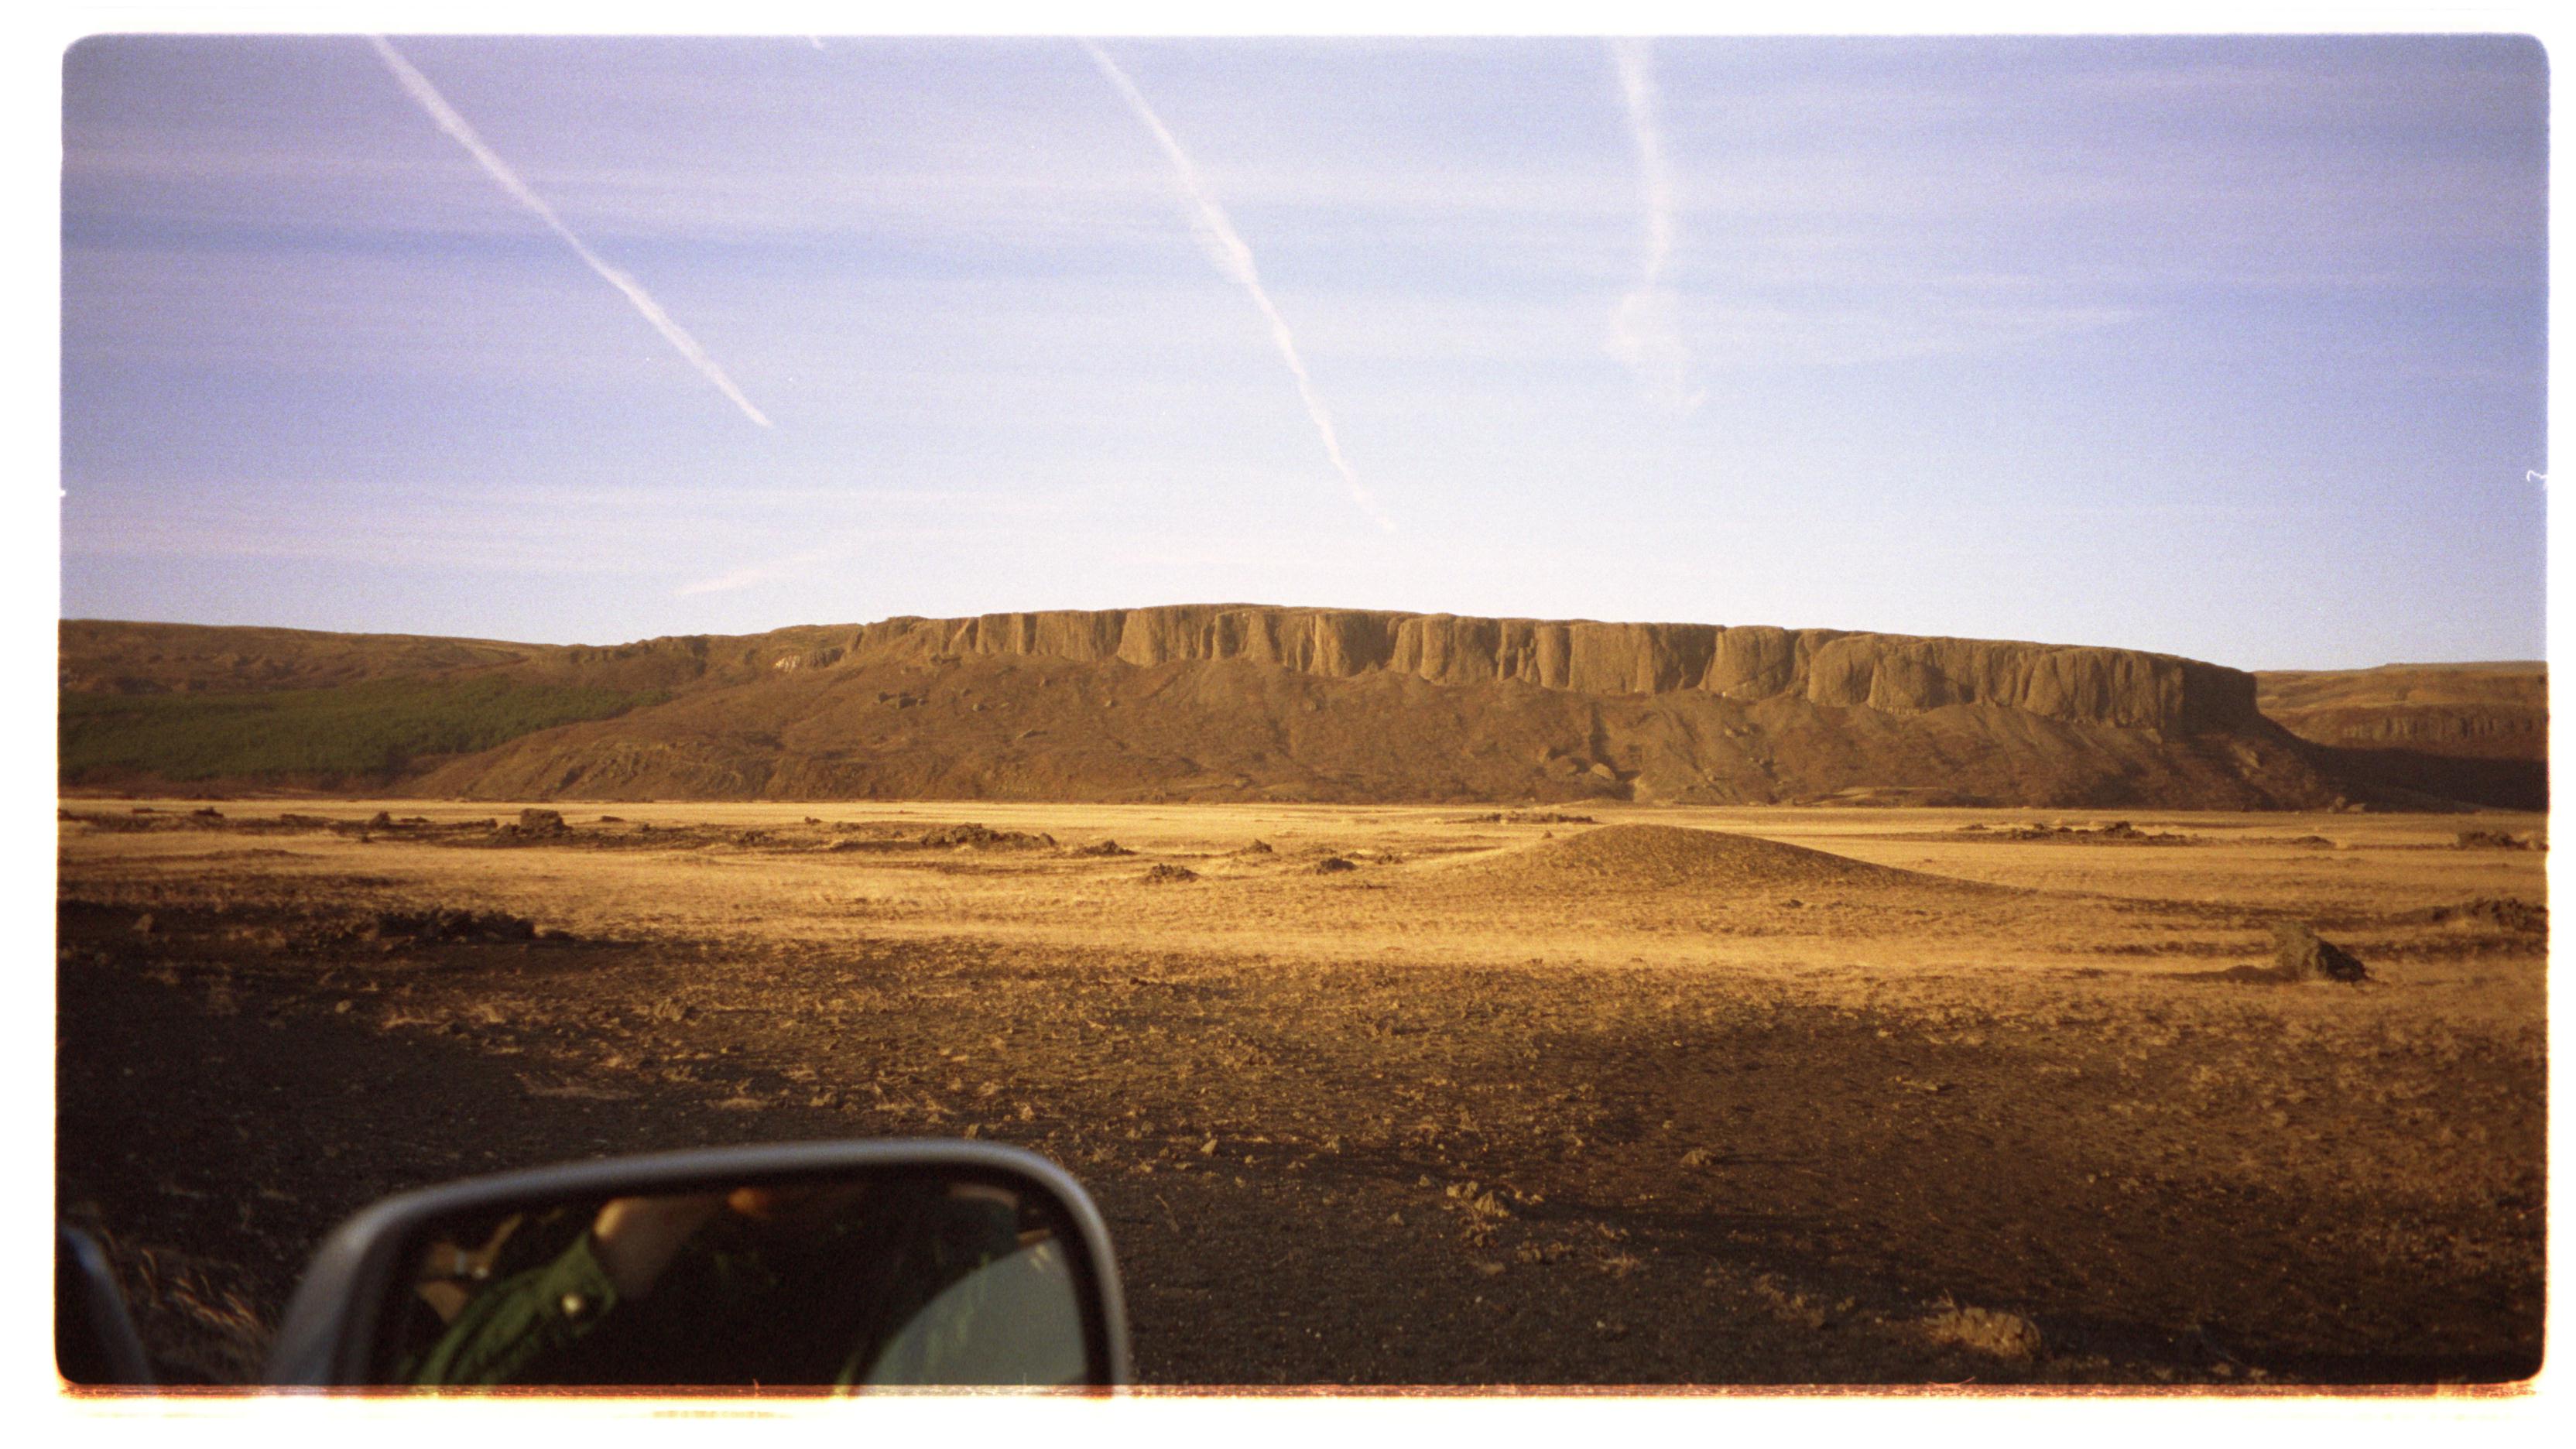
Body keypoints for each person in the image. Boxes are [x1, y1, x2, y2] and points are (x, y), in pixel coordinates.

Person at [399, 1176, 1044, 1387]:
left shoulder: (935, 1248)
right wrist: (619, 1253)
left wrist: (973, 1225)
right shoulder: (582, 1237)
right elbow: (428, 1405)